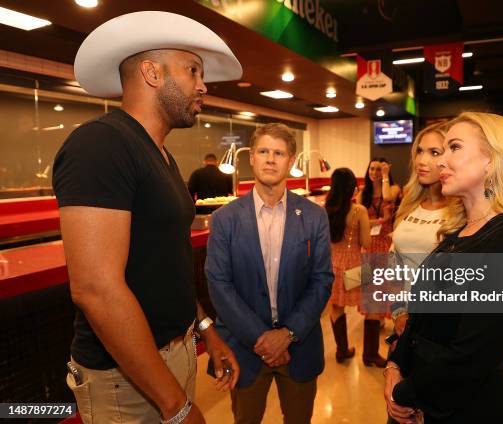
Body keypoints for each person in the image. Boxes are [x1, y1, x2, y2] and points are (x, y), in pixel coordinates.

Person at [52, 11, 242, 424]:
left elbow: (163, 265)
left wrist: (205, 328)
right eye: (193, 70)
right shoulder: (101, 144)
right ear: (151, 72)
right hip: (125, 379)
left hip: (174, 356)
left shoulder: (162, 156)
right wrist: (175, 406)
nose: (203, 84)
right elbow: (96, 290)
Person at [384, 112, 503, 424]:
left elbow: (472, 353)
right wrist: (394, 366)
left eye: (453, 148)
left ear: (493, 161)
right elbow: (418, 319)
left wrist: (404, 394)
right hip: (419, 396)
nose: (441, 161)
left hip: (463, 410)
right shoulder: (458, 234)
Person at [205, 123, 334, 424]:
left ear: (291, 161)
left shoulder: (314, 215)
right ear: (252, 158)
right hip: (245, 349)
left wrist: (287, 335)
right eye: (263, 151)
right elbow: (219, 284)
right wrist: (263, 338)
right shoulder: (225, 219)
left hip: (299, 346)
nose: (270, 159)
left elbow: (322, 279)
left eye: (279, 153)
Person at [389, 122, 449, 344]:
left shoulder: (462, 211)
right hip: (405, 321)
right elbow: (393, 266)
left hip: (442, 325)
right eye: (420, 151)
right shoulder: (408, 204)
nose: (422, 161)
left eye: (434, 152)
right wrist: (398, 313)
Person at [326, 168, 373, 364]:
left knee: (336, 308)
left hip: (331, 266)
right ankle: (371, 352)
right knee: (370, 305)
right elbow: (366, 242)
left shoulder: (325, 209)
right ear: (352, 187)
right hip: (354, 265)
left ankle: (341, 350)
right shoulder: (359, 210)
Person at [358, 157, 399, 363]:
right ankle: (370, 353)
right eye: (372, 168)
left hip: (385, 244)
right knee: (371, 297)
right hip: (368, 246)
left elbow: (387, 197)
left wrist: (384, 177)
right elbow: (360, 221)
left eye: (379, 169)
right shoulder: (362, 193)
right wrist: (380, 220)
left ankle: (371, 350)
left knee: (383, 293)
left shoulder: (392, 188)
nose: (374, 172)